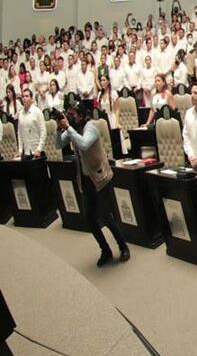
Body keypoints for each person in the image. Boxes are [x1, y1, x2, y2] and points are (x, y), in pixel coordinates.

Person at [57, 103, 131, 267]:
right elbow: (57, 144)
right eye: (69, 114)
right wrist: (58, 128)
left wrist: (68, 128)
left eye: (74, 114)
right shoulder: (73, 129)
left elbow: (83, 144)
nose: (71, 117)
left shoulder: (91, 127)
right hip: (86, 180)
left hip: (101, 177)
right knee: (90, 218)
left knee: (107, 217)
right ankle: (105, 250)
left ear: (82, 115)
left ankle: (123, 247)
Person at [16, 88, 45, 158]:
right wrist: (20, 150)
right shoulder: (20, 113)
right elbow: (19, 133)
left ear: (31, 99)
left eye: (27, 96)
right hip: (26, 152)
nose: (24, 98)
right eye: (23, 96)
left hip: (37, 152)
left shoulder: (37, 112)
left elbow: (43, 131)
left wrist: (39, 149)